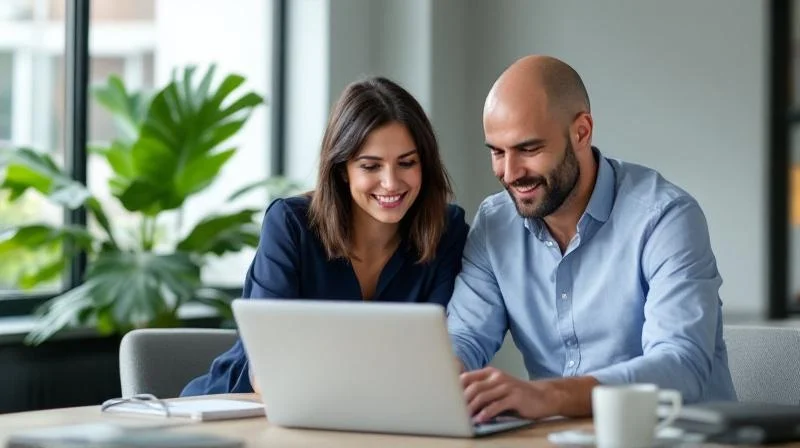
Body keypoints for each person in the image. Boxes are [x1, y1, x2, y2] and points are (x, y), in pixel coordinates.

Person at [446, 55, 737, 422]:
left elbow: (680, 367)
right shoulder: (494, 224)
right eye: (497, 152)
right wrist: (446, 381)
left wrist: (545, 396)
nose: (510, 172)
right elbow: (465, 338)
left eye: (529, 149)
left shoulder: (665, 218)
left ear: (581, 131)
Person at [182, 77, 468, 396]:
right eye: (370, 166)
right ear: (342, 168)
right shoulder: (291, 224)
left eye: (407, 163)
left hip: (376, 414)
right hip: (243, 405)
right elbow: (267, 370)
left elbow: (437, 359)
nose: (391, 182)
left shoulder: (448, 229)